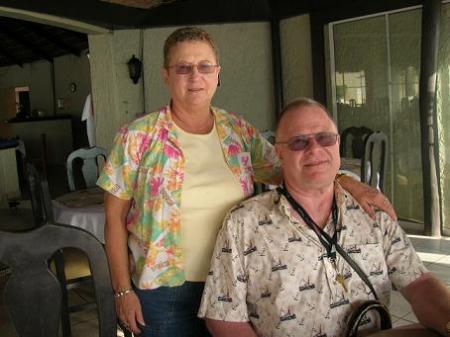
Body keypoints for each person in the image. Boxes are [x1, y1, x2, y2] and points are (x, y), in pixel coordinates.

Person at [97, 27, 395, 337]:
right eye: (183, 67)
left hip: (235, 283)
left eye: (204, 66)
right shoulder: (137, 136)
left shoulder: (236, 131)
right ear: (166, 75)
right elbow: (113, 219)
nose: (195, 76)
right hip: (164, 293)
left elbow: (295, 171)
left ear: (217, 73)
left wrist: (348, 182)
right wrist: (121, 291)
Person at [199, 97, 450, 337]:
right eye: (299, 142)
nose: (315, 149)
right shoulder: (243, 223)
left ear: (337, 143)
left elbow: (419, 284)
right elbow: (223, 318)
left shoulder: (372, 212)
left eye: (325, 138)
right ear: (279, 153)